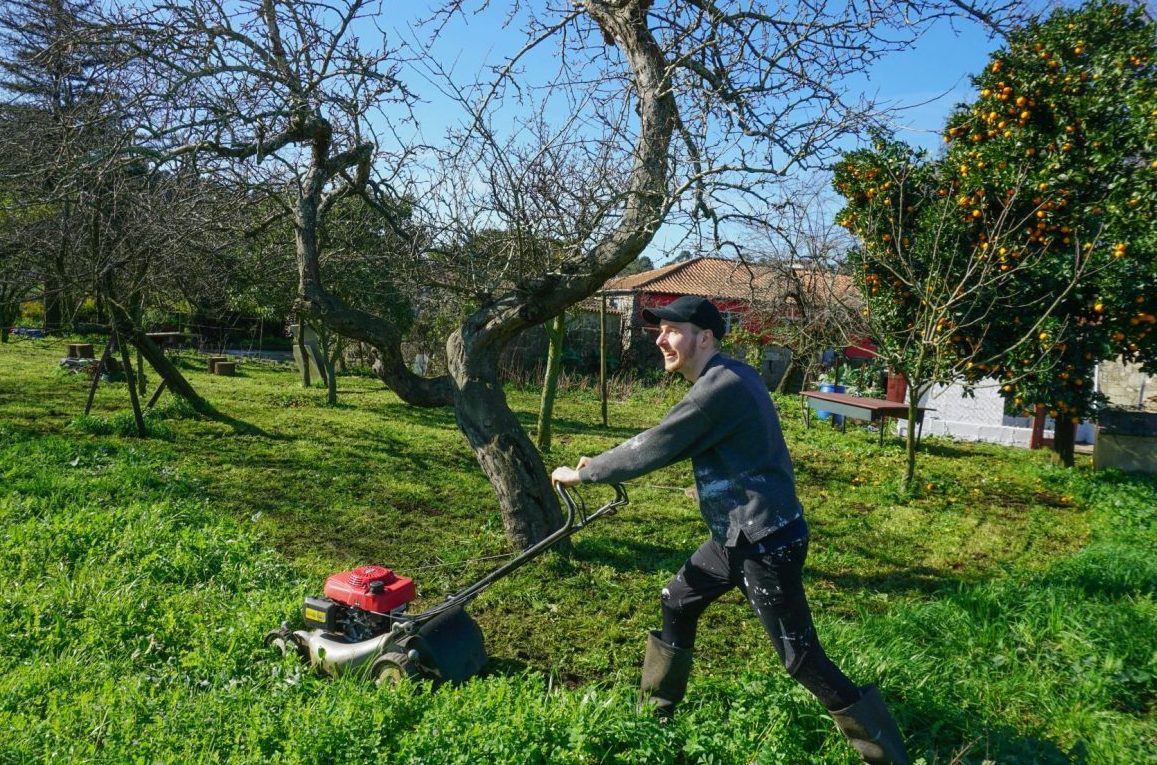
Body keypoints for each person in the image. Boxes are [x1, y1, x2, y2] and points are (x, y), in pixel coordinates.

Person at [551, 295, 909, 765]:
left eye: (672, 330)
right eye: (659, 330)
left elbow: (660, 443)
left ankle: (886, 753)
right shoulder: (734, 375)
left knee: (800, 658)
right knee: (676, 600)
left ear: (704, 337)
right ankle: (653, 714)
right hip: (735, 537)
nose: (661, 339)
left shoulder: (720, 389)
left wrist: (586, 473)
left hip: (764, 542)